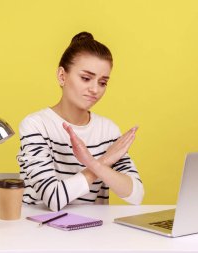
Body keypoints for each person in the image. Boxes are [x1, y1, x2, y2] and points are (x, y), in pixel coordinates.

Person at [16, 32, 144, 211]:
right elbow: (53, 198)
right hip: (39, 230)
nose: (94, 89)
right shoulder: (36, 125)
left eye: (103, 82)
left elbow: (136, 194)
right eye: (86, 78)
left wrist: (94, 163)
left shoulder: (108, 130)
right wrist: (102, 162)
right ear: (62, 76)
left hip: (91, 233)